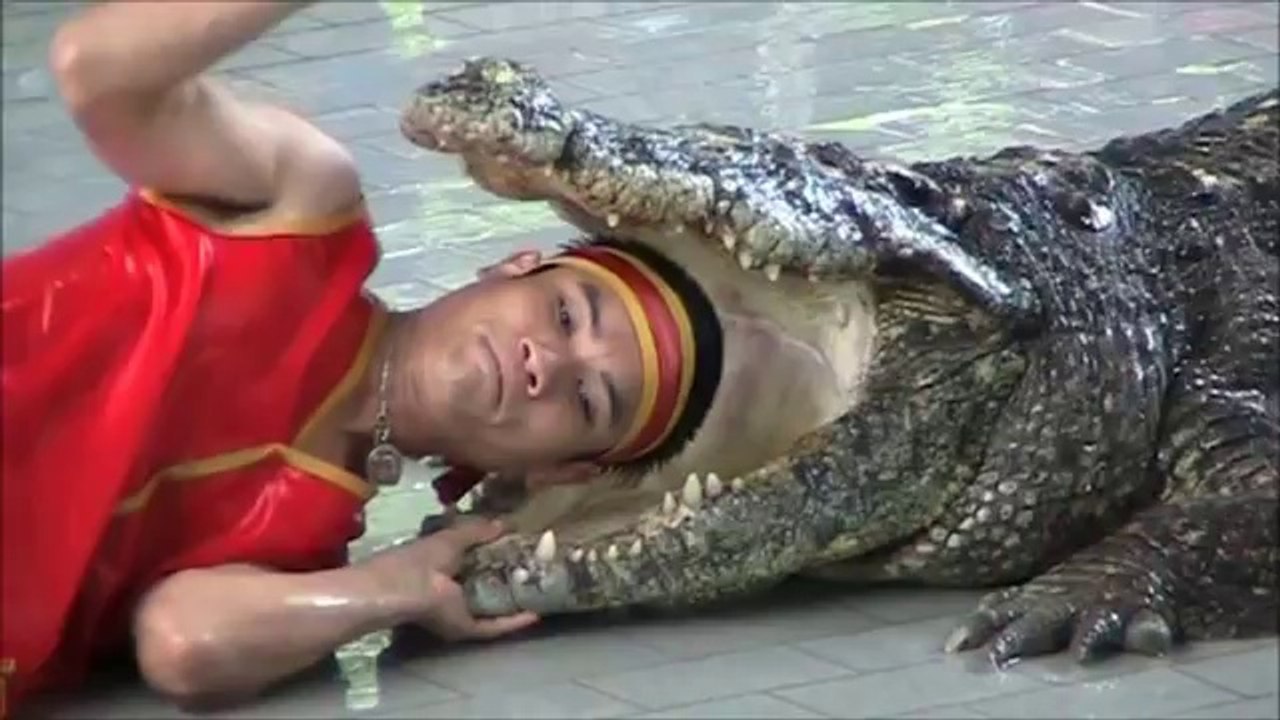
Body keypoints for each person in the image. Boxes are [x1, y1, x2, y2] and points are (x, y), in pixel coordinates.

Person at [0, 1, 724, 714]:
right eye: (565, 314)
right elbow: (96, 70)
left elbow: (182, 643)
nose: (549, 366)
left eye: (587, 401)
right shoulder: (300, 206)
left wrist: (393, 587)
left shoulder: (306, 550)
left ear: (556, 469)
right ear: (511, 266)